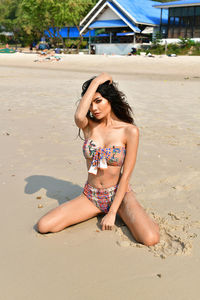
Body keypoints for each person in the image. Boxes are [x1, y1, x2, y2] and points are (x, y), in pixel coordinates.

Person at [37, 73, 160, 246]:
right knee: (44, 226)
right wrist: (96, 82)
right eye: (91, 103)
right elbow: (79, 115)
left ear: (110, 100)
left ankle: (136, 215)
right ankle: (102, 211)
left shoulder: (129, 131)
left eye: (99, 101)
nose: (93, 108)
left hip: (119, 195)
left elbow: (126, 176)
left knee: (150, 239)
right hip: (91, 196)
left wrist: (112, 212)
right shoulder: (88, 127)